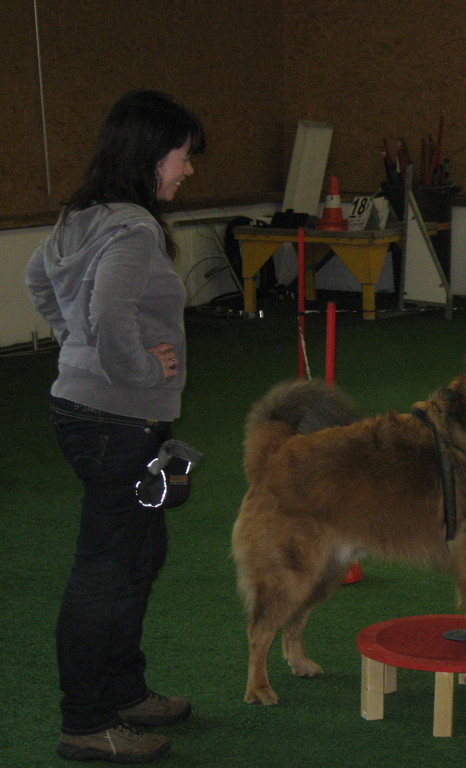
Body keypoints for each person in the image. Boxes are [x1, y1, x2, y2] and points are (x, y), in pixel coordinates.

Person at [25, 89, 205, 764]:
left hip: (94, 414)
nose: (186, 171)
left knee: (139, 553)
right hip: (114, 420)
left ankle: (125, 691)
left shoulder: (84, 215)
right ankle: (88, 721)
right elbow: (107, 316)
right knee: (105, 567)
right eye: (182, 157)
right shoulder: (130, 228)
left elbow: (36, 279)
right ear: (149, 153)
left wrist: (77, 343)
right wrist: (133, 370)